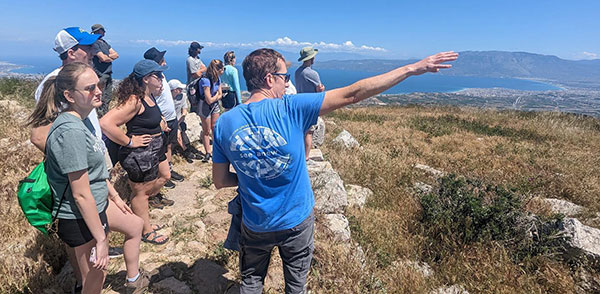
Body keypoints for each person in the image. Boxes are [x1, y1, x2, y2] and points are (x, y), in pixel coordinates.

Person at [212, 48, 458, 293]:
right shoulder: (290, 108)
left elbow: (220, 180)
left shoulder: (225, 122)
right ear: (269, 79)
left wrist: (253, 173)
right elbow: (354, 94)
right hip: (295, 220)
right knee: (296, 287)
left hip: (255, 223)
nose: (287, 85)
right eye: (285, 78)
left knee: (251, 282)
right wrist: (411, 68)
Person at [26, 62, 149, 294]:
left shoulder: (80, 121)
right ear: (69, 95)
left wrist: (115, 196)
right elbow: (80, 193)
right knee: (94, 280)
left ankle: (134, 279)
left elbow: (94, 171)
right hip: (79, 215)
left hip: (99, 201)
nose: (99, 91)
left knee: (135, 224)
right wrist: (102, 240)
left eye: (98, 84)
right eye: (90, 88)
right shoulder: (70, 131)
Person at [29, 27, 104, 294]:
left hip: (89, 174)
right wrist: (72, 164)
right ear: (71, 52)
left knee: (93, 257)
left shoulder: (84, 78)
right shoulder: (57, 82)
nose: (94, 51)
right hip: (77, 183)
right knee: (86, 257)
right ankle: (82, 283)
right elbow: (39, 135)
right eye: (88, 47)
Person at [100, 60, 171, 245]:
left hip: (154, 149)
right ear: (147, 78)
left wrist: (160, 122)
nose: (162, 78)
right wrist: (129, 141)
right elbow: (106, 123)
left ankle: (141, 218)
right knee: (141, 194)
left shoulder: (149, 96)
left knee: (165, 175)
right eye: (159, 75)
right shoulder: (135, 99)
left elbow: (149, 117)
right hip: (141, 154)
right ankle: (145, 231)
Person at [143, 47, 184, 193]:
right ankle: (161, 176)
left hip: (171, 118)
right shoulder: (151, 81)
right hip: (162, 121)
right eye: (162, 60)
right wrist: (161, 118)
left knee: (169, 146)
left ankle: (169, 170)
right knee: (160, 150)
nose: (164, 62)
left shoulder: (161, 76)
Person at [295, 46, 325, 161]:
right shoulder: (312, 73)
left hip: (299, 104)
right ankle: (306, 157)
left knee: (302, 130)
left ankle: (301, 152)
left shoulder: (298, 72)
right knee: (309, 132)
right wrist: (322, 89)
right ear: (311, 58)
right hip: (311, 106)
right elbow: (319, 90)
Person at [168, 79, 203, 162]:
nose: (181, 90)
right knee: (178, 135)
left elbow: (184, 109)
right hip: (170, 122)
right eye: (179, 88)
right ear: (174, 90)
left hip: (179, 120)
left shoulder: (182, 96)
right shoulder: (167, 99)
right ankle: (186, 152)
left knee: (181, 132)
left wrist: (180, 119)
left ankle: (187, 149)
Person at [197, 59, 224, 163]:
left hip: (214, 105)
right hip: (204, 106)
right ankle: (208, 152)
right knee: (206, 130)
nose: (223, 71)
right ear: (219, 69)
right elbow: (209, 100)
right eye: (223, 69)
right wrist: (216, 96)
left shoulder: (217, 79)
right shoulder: (205, 80)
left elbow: (219, 94)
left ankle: (216, 150)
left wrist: (215, 97)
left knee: (215, 127)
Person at [90, 24, 119, 117]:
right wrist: (107, 58)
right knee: (100, 98)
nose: (104, 32)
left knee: (107, 97)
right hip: (100, 74)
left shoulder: (104, 42)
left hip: (107, 73)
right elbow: (102, 58)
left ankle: (104, 116)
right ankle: (99, 117)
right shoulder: (94, 43)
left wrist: (107, 58)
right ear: (99, 31)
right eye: (103, 30)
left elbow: (116, 54)